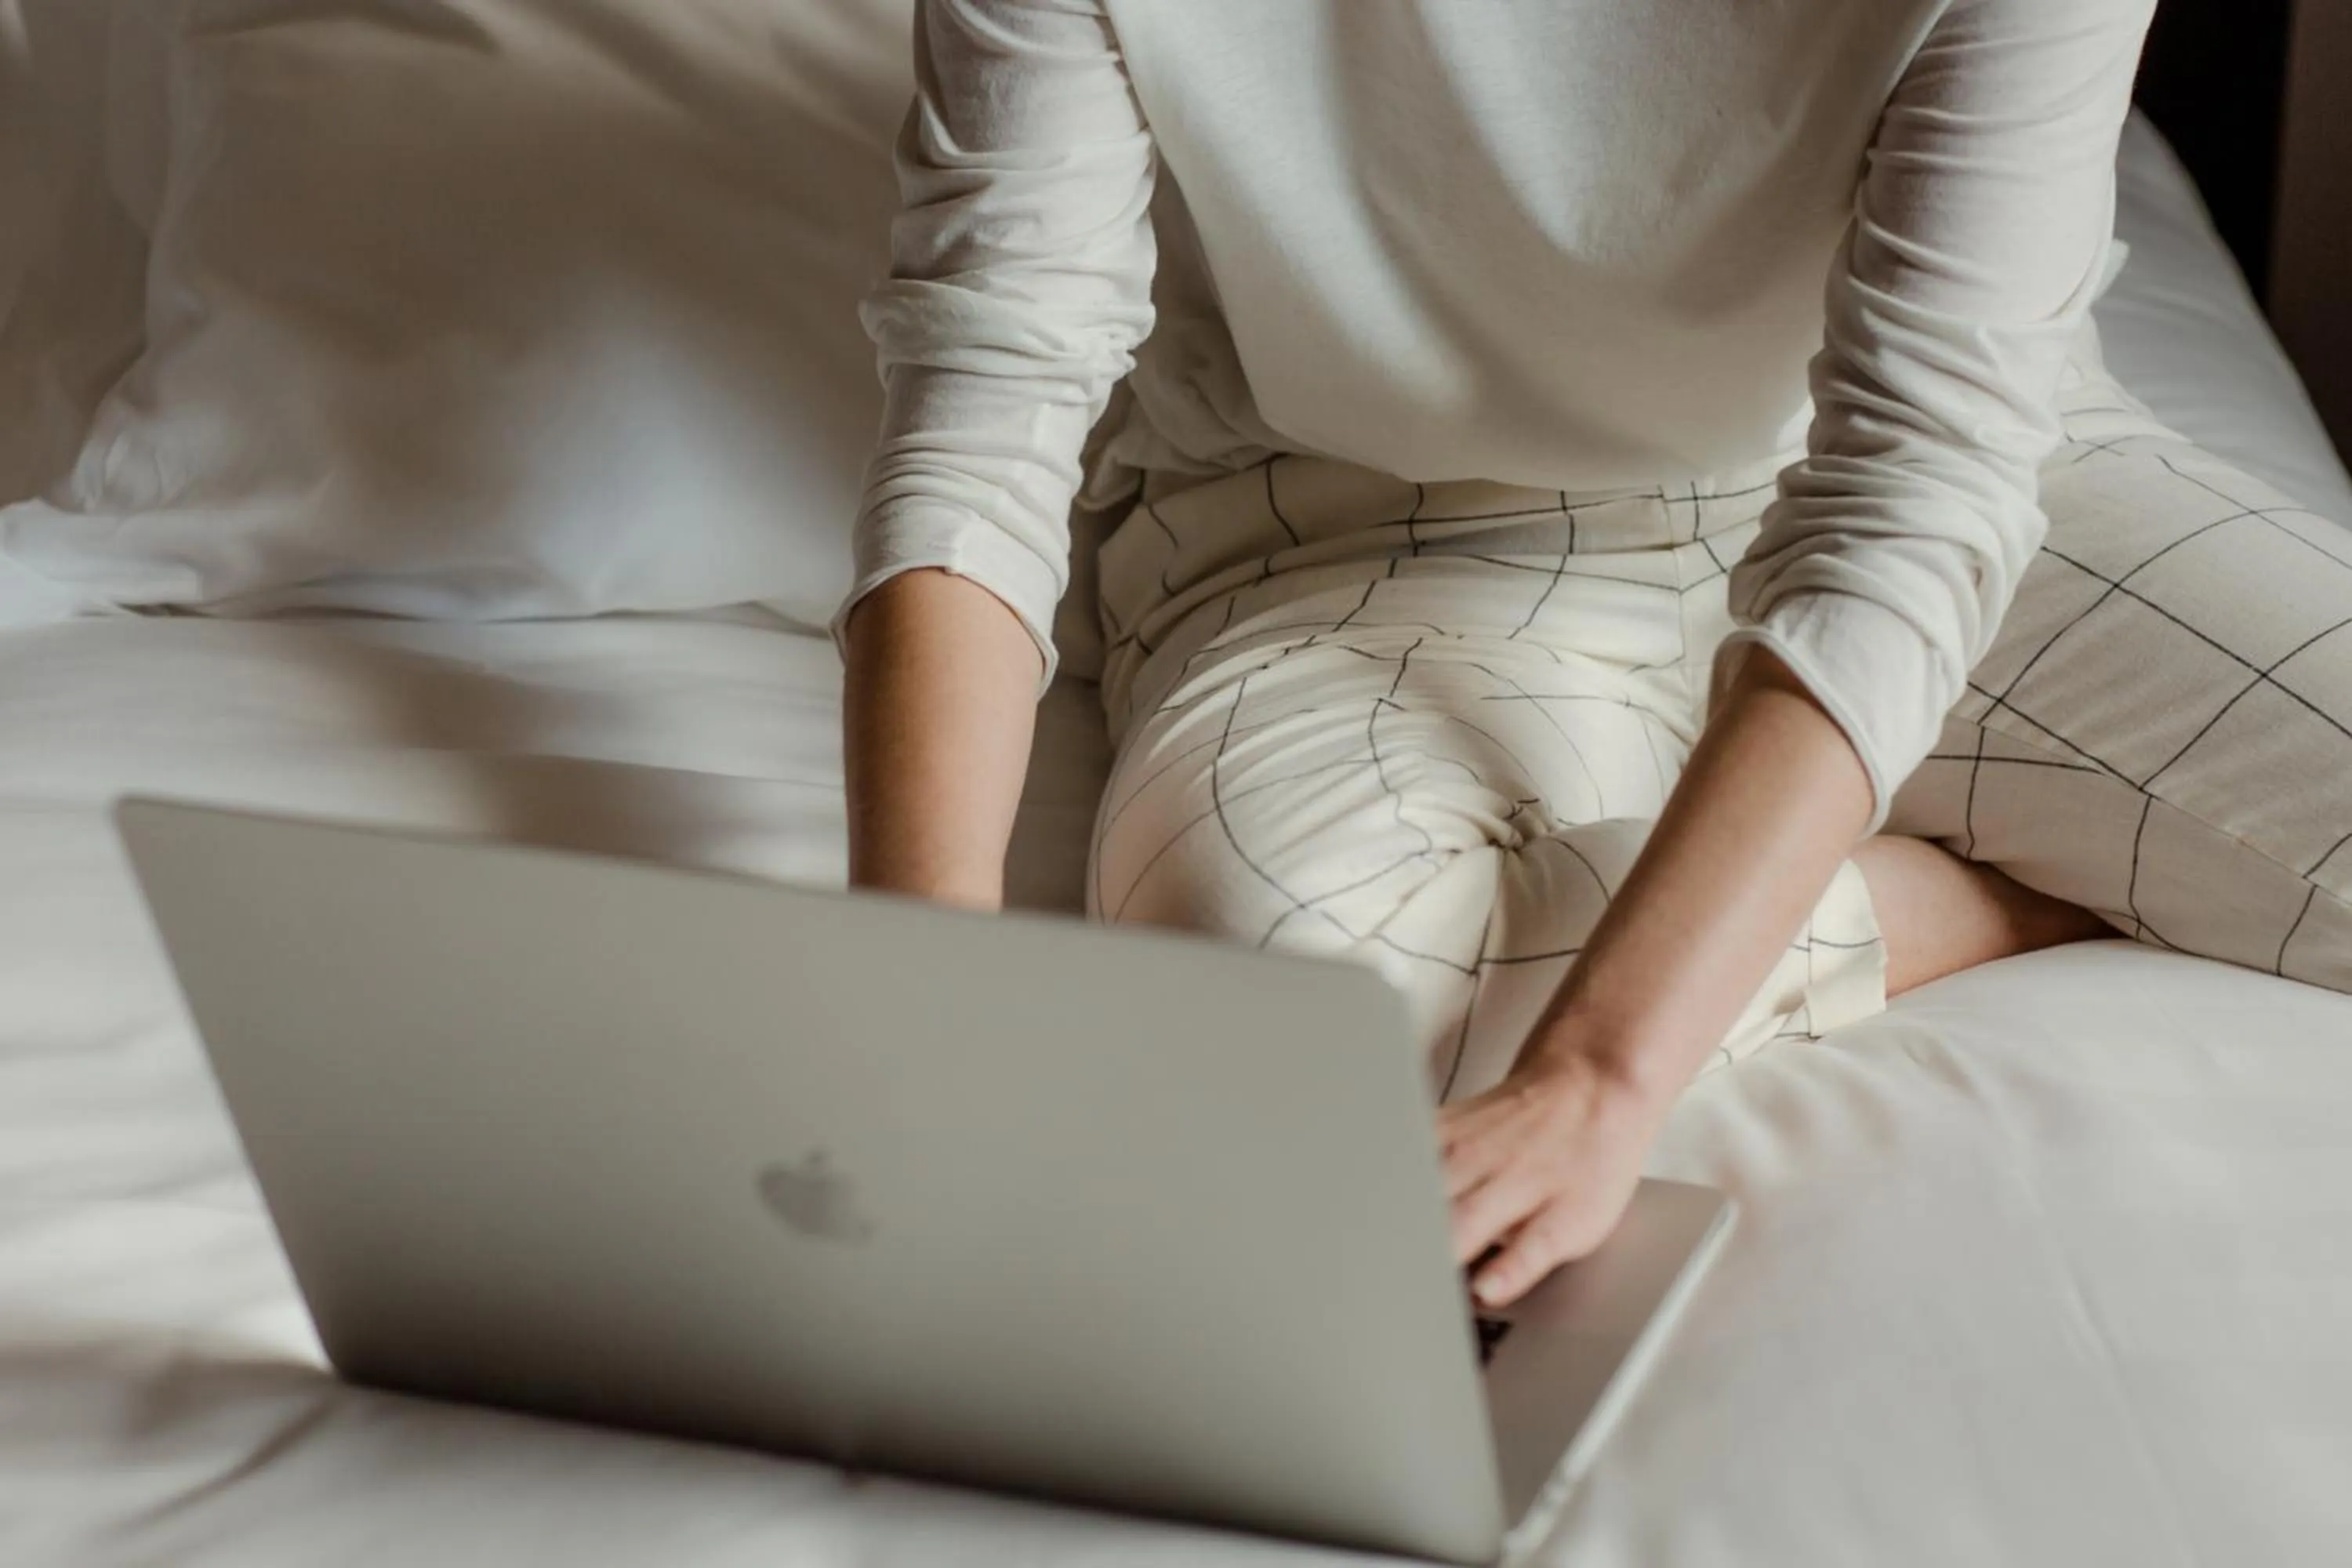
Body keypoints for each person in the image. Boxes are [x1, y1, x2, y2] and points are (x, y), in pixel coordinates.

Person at [838, 0, 2352, 1310]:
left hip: (1934, 471)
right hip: (1339, 522)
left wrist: (1600, 1077)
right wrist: (928, 985)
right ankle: (1987, 897)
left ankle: (1814, 845)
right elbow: (994, 386)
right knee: (1319, 1039)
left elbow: (1915, 489)